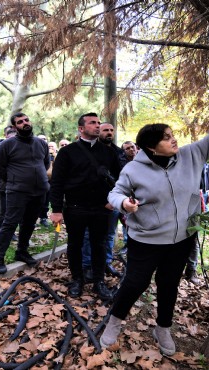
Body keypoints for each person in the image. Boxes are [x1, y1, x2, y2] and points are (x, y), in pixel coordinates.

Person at [99, 85, 209, 355]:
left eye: (172, 135)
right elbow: (115, 193)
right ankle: (115, 322)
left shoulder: (192, 155)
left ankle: (163, 327)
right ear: (151, 147)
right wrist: (125, 204)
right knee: (134, 283)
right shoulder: (133, 169)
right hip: (146, 240)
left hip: (180, 240)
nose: (174, 140)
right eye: (166, 138)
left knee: (169, 285)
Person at [49, 113, 122, 301]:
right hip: (75, 207)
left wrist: (112, 201)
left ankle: (99, 281)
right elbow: (56, 182)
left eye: (99, 123)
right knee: (75, 245)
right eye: (92, 123)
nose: (97, 126)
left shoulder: (109, 152)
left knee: (99, 244)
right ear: (81, 128)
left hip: (100, 208)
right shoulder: (67, 152)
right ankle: (77, 279)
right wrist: (56, 210)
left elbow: (120, 179)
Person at [0, 113, 50, 274]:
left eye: (26, 120)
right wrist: (15, 180)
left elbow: (45, 163)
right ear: (15, 126)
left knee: (30, 223)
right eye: (20, 122)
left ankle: (21, 251)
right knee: (9, 223)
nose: (25, 123)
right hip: (17, 191)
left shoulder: (41, 143)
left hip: (39, 191)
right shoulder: (7, 145)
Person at [81, 123, 126, 279]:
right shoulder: (87, 150)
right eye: (105, 130)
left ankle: (105, 263)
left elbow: (121, 178)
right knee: (88, 235)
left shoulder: (119, 152)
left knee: (109, 234)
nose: (109, 133)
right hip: (91, 202)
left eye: (111, 130)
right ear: (98, 131)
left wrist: (116, 200)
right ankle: (87, 265)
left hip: (112, 201)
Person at [38, 141, 57, 227]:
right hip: (42, 181)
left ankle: (43, 218)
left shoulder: (57, 156)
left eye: (52, 146)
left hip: (53, 181)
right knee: (40, 200)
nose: (50, 148)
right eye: (49, 146)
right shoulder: (42, 155)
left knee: (48, 201)